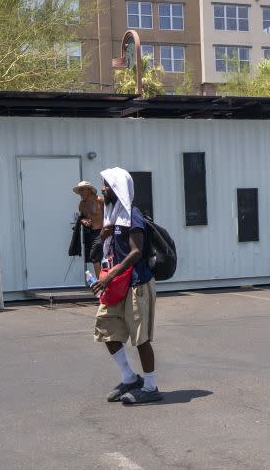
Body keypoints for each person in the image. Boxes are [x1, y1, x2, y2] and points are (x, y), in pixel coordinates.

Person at [91, 167, 162, 404]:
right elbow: (102, 249)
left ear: (118, 188)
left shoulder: (133, 215)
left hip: (136, 285)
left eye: (107, 185)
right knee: (106, 328)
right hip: (115, 284)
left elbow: (135, 252)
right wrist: (103, 236)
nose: (103, 189)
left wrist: (108, 277)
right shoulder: (112, 215)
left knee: (140, 338)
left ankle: (151, 387)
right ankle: (129, 377)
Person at [73, 180, 104, 277]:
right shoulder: (81, 204)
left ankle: (103, 282)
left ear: (90, 190)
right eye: (79, 191)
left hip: (103, 232)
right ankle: (100, 282)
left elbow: (110, 215)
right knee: (94, 258)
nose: (81, 193)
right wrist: (83, 221)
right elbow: (82, 217)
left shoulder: (100, 200)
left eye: (83, 190)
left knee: (100, 256)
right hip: (91, 233)